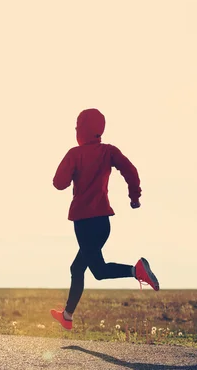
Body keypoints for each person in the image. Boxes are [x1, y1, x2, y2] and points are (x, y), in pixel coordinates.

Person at [50, 108, 160, 331]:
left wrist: (73, 168)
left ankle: (136, 270)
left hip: (84, 222)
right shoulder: (108, 151)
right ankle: (67, 316)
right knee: (78, 268)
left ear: (81, 130)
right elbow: (131, 170)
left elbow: (58, 183)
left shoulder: (74, 154)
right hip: (103, 224)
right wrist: (134, 197)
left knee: (97, 271)